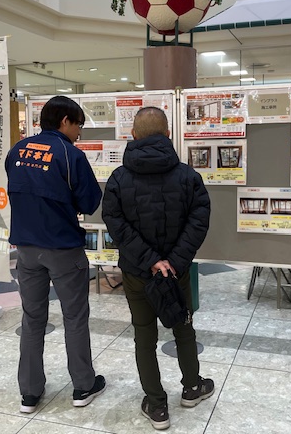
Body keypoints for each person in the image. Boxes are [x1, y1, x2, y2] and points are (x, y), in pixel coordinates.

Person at [102, 107, 213, 430]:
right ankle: (192, 388)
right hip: (176, 273)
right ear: (168, 134)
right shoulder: (188, 176)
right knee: (183, 328)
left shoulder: (119, 179)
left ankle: (156, 404)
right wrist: (172, 262)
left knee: (144, 336)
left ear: (133, 136)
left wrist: (150, 260)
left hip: (137, 272)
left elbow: (116, 223)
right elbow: (199, 220)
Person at [5, 96, 106, 414]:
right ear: (65, 120)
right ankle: (82, 386)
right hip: (63, 248)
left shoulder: (16, 152)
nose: (80, 133)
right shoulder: (69, 155)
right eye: (79, 126)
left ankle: (30, 393)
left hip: (26, 250)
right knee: (75, 317)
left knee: (32, 320)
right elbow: (90, 202)